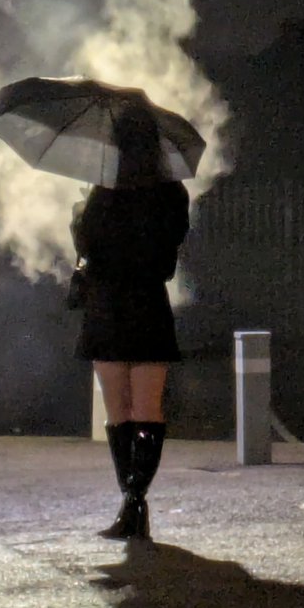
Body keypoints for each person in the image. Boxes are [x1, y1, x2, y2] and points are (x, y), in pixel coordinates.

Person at [71, 102, 191, 541]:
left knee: (118, 412)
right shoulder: (173, 193)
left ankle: (129, 501)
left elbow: (88, 248)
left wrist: (80, 218)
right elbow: (167, 262)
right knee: (148, 410)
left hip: (106, 306)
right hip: (148, 303)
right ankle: (136, 501)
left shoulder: (104, 191)